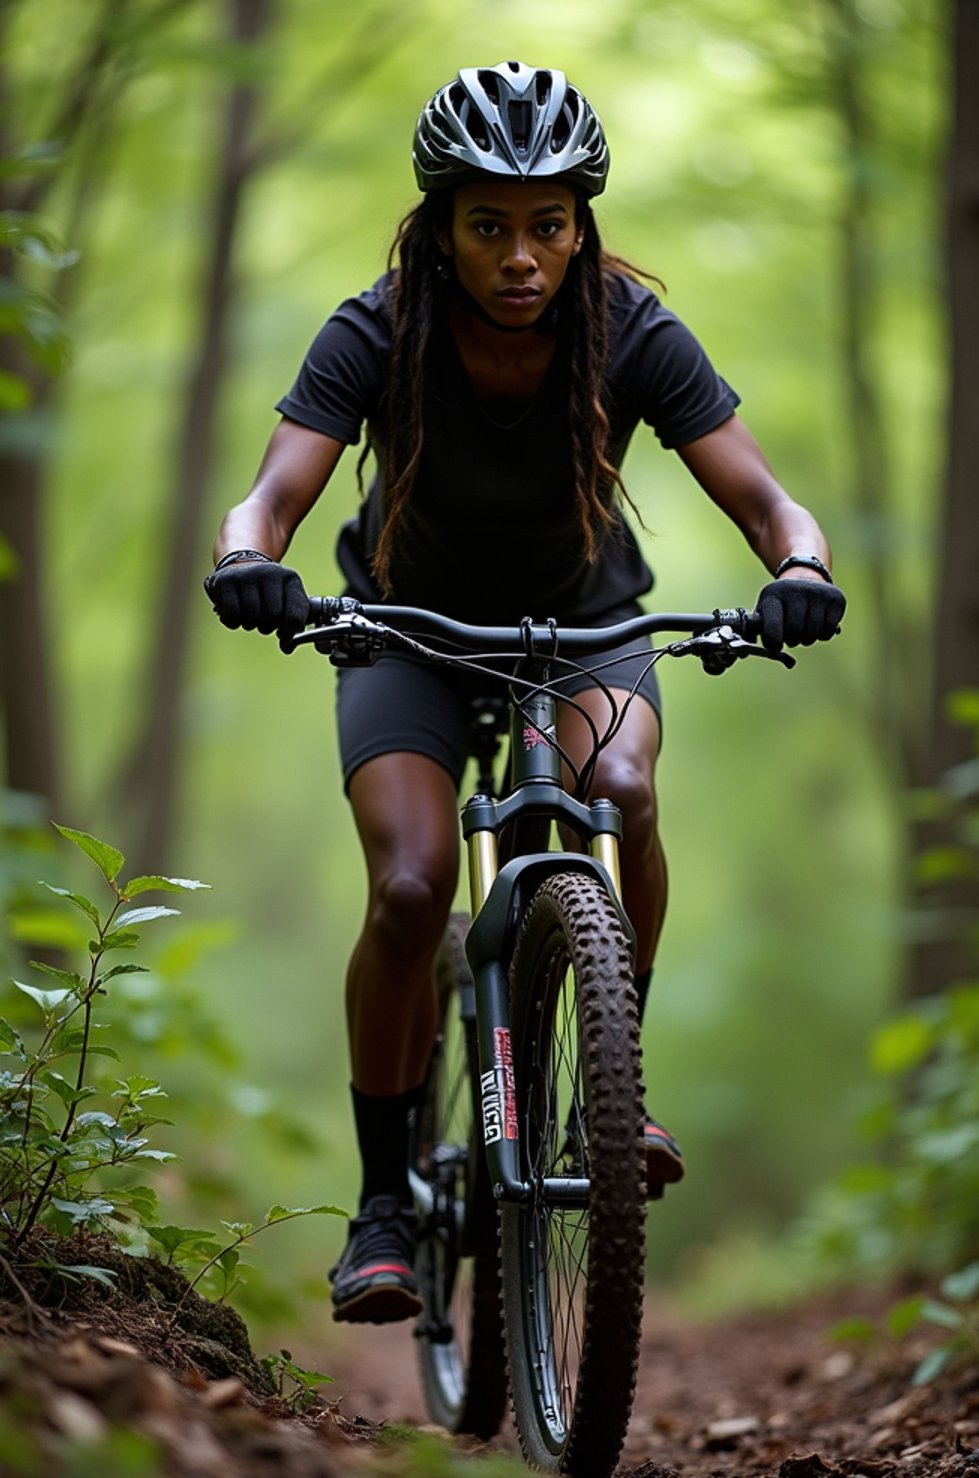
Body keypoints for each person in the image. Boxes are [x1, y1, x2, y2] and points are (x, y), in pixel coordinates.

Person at [204, 61, 846, 1326]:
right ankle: (385, 1204)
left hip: (586, 627)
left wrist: (803, 566)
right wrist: (247, 561)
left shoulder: (631, 332)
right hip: (405, 629)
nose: (521, 255)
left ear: (581, 225)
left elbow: (768, 499)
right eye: (489, 224)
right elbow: (268, 495)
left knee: (620, 790)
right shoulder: (378, 328)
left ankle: (611, 1087)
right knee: (406, 888)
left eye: (548, 224)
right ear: (440, 226)